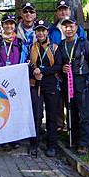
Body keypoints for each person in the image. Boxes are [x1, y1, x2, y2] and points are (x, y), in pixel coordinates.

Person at [52, 16, 89, 155]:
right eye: (65, 26)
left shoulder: (84, 44)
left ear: (76, 27)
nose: (68, 29)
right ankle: (74, 139)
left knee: (84, 113)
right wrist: (62, 69)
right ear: (62, 28)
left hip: (83, 81)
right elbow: (58, 64)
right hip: (68, 82)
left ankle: (84, 143)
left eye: (71, 26)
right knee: (71, 111)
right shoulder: (61, 45)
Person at [48, 0, 87, 131]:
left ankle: (75, 128)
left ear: (70, 11)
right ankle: (60, 125)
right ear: (57, 12)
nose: (63, 12)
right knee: (59, 97)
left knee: (75, 100)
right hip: (58, 66)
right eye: (60, 10)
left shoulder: (79, 29)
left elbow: (83, 48)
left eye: (65, 9)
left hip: (76, 70)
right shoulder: (52, 30)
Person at [28, 20, 60, 157]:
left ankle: (52, 145)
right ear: (35, 32)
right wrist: (34, 69)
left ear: (47, 32)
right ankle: (34, 143)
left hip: (51, 84)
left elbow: (58, 66)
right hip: (36, 85)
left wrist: (43, 71)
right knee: (37, 114)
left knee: (52, 116)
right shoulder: (32, 47)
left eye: (43, 30)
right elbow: (28, 64)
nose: (41, 33)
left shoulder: (54, 47)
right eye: (38, 30)